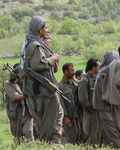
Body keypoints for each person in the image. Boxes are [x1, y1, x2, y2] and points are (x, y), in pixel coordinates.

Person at [22, 16, 63, 146]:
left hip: (42, 89)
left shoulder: (32, 43)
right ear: (39, 30)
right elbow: (38, 65)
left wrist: (52, 59)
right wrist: (53, 59)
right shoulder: (35, 45)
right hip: (43, 90)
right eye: (44, 27)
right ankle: (46, 145)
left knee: (55, 115)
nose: (46, 30)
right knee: (48, 119)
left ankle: (53, 143)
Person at [92, 51, 120, 148]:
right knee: (112, 132)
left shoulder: (106, 72)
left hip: (107, 107)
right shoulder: (104, 74)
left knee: (109, 133)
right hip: (104, 107)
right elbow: (105, 94)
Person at [4, 64, 34, 144]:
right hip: (15, 113)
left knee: (29, 133)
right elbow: (14, 97)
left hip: (27, 112)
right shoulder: (8, 83)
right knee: (17, 137)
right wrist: (28, 95)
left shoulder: (26, 81)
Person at [78, 58, 100, 145]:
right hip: (90, 112)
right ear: (93, 67)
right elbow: (83, 99)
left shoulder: (96, 78)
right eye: (98, 66)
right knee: (91, 135)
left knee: (97, 135)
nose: (99, 68)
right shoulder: (85, 80)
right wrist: (90, 108)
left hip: (96, 112)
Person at [58, 63, 80, 144]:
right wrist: (65, 116)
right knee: (70, 137)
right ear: (65, 71)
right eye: (72, 70)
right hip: (68, 117)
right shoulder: (59, 86)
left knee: (79, 135)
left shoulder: (74, 83)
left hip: (77, 114)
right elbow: (61, 103)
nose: (73, 72)